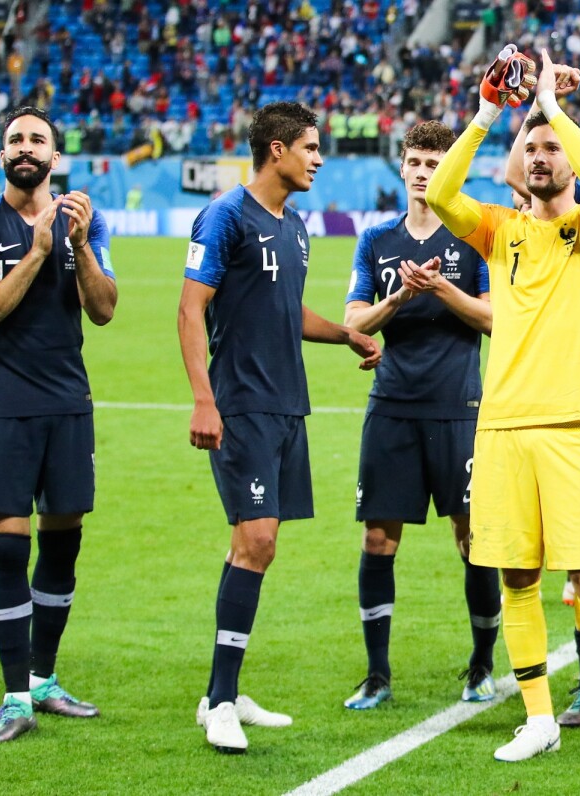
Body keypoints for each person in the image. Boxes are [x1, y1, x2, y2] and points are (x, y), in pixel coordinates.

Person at [427, 46, 580, 769]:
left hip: (578, 426)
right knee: (515, 576)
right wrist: (490, 112)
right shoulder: (499, 229)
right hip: (503, 425)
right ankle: (539, 717)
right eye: (534, 148)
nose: (544, 156)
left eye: (553, 148)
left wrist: (552, 109)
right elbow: (443, 196)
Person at [179, 102, 382, 754]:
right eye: (311, 147)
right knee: (257, 542)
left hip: (287, 407)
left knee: (255, 546)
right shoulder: (224, 216)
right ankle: (220, 701)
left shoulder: (294, 228)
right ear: (276, 150)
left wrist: (345, 333)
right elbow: (190, 310)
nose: (319, 158)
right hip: (240, 407)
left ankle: (223, 693)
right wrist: (204, 400)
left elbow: (286, 311)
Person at [0, 105, 117, 743]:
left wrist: (76, 245)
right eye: (15, 139)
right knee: (9, 543)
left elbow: (102, 311)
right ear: (2, 156)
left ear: (55, 154)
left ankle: (43, 680)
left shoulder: (83, 221)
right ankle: (14, 695)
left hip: (68, 401)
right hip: (2, 405)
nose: (25, 147)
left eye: (37, 139)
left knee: (64, 539)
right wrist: (39, 251)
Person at [342, 120, 499, 710]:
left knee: (473, 537)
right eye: (415, 162)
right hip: (392, 407)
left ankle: (482, 667)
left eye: (436, 163)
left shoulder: (472, 238)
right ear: (402, 168)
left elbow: (493, 319)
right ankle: (377, 675)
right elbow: (353, 323)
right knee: (379, 540)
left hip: (459, 408)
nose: (424, 172)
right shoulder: (377, 241)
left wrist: (440, 292)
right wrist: (402, 296)